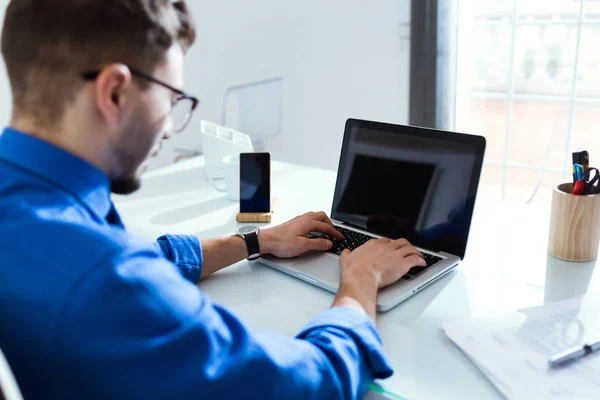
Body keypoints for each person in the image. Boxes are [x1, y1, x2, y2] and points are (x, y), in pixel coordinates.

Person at [0, 1, 426, 399]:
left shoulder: (36, 215)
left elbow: (133, 264)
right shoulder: (106, 279)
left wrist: (257, 241)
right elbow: (310, 384)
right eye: (171, 99)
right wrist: (360, 282)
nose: (168, 129)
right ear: (114, 92)